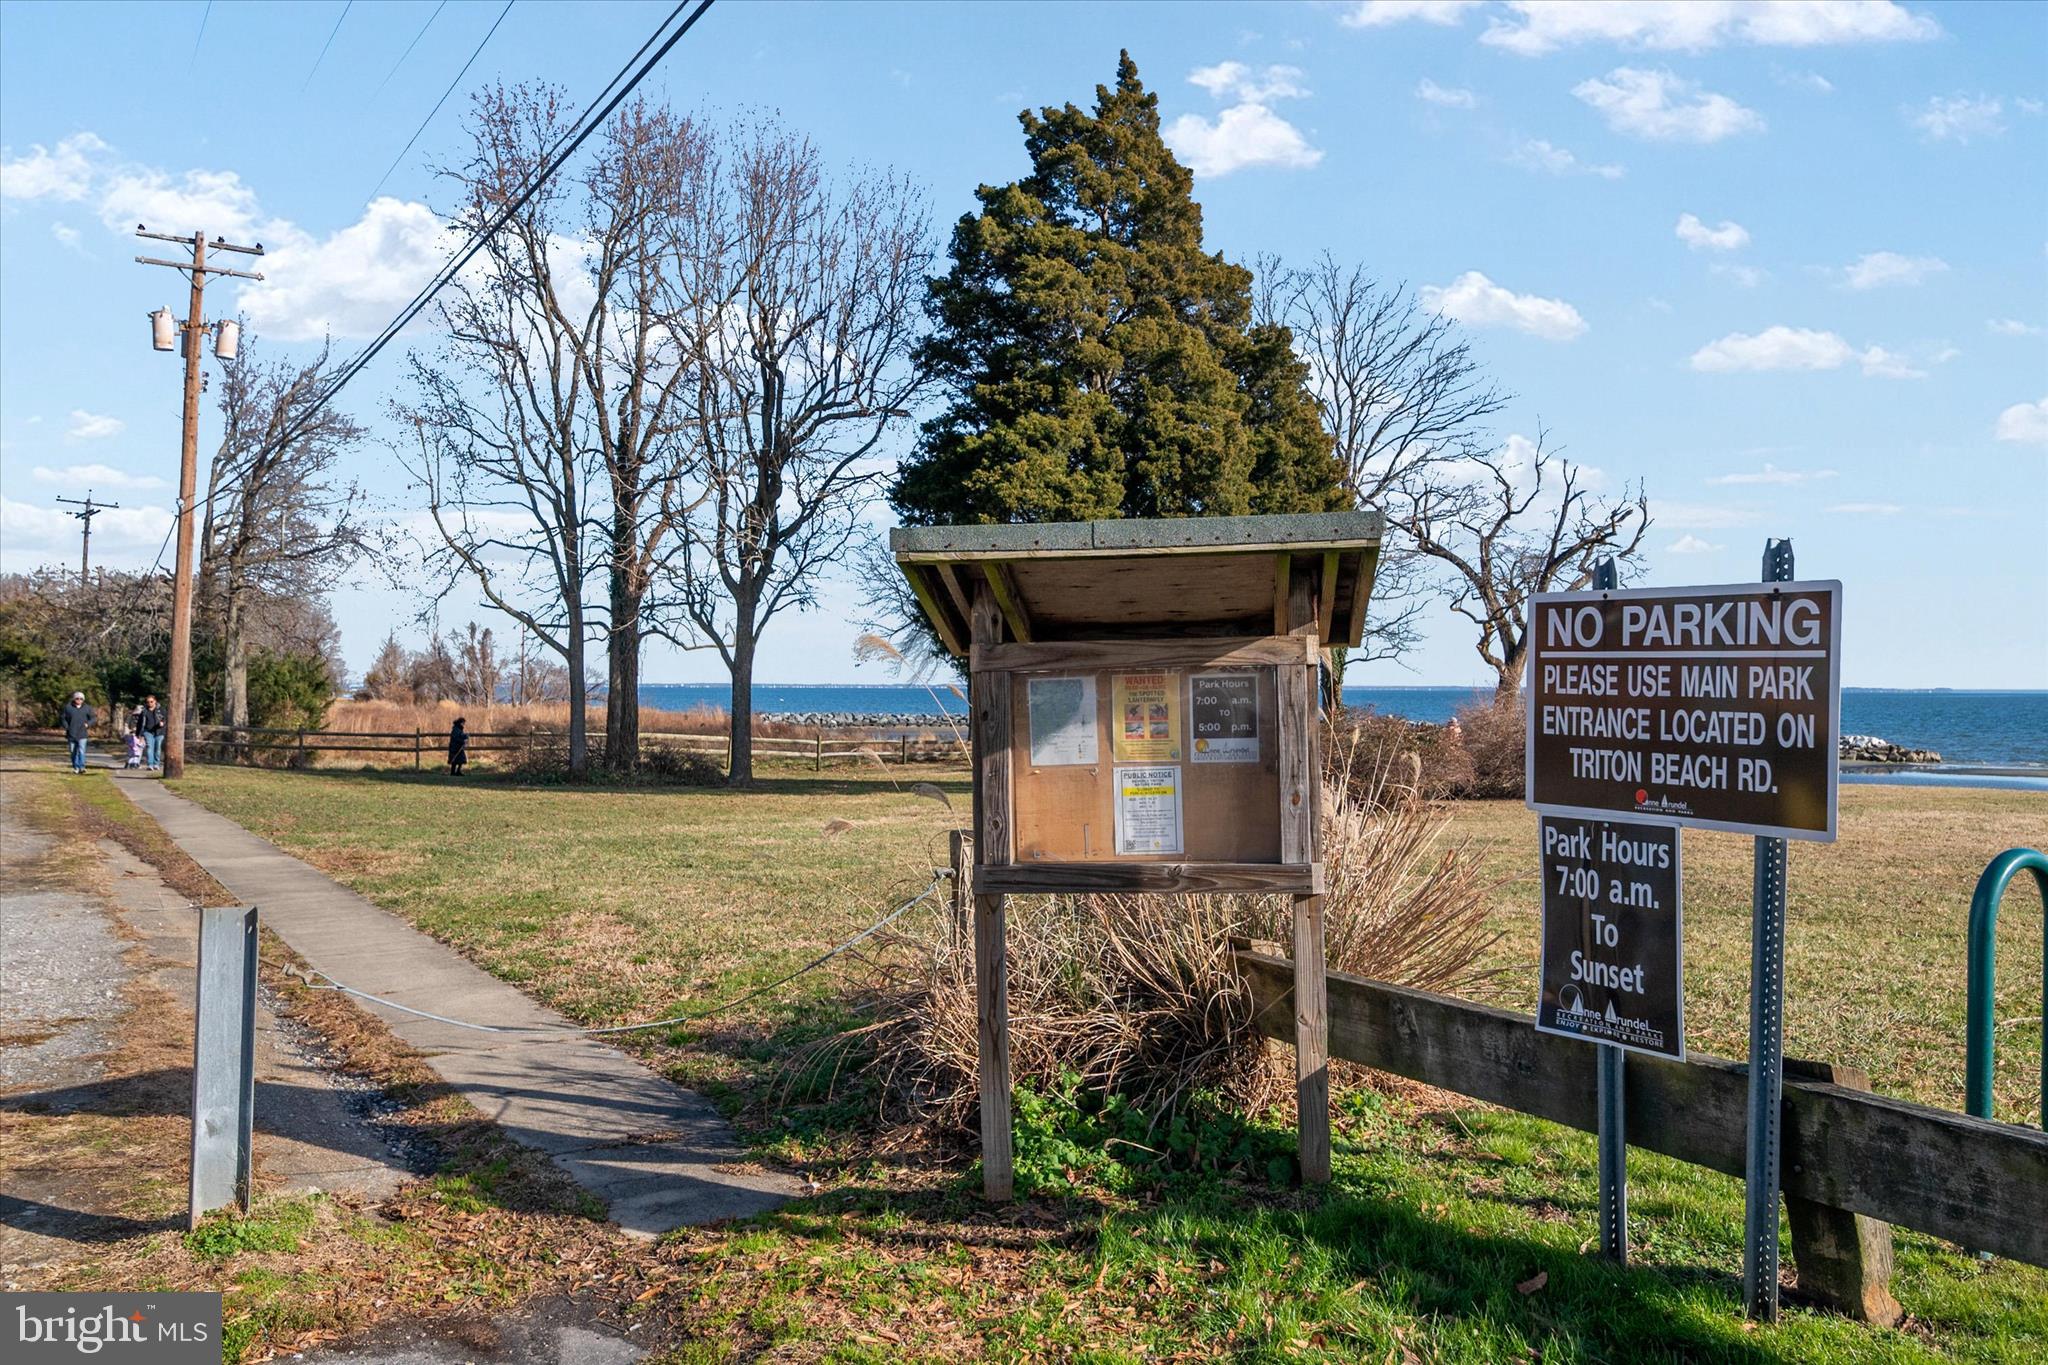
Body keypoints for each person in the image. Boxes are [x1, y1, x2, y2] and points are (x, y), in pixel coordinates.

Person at [59, 691, 95, 774]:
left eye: (81, 699)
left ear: (83, 700)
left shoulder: (87, 708)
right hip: (71, 733)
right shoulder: (68, 707)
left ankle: (82, 767)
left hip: (82, 733)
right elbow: (62, 718)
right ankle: (76, 767)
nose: (79, 700)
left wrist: (88, 724)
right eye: (77, 698)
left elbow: (93, 718)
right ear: (74, 699)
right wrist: (66, 726)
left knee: (82, 751)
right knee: (73, 751)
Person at [134, 694, 167, 771]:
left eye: (151, 702)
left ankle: (156, 764)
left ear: (155, 701)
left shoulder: (161, 710)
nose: (150, 703)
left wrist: (162, 723)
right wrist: (138, 734)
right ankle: (150, 764)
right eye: (148, 702)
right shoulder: (144, 711)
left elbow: (166, 718)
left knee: (157, 748)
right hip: (148, 732)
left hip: (159, 732)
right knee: (149, 747)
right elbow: (140, 723)